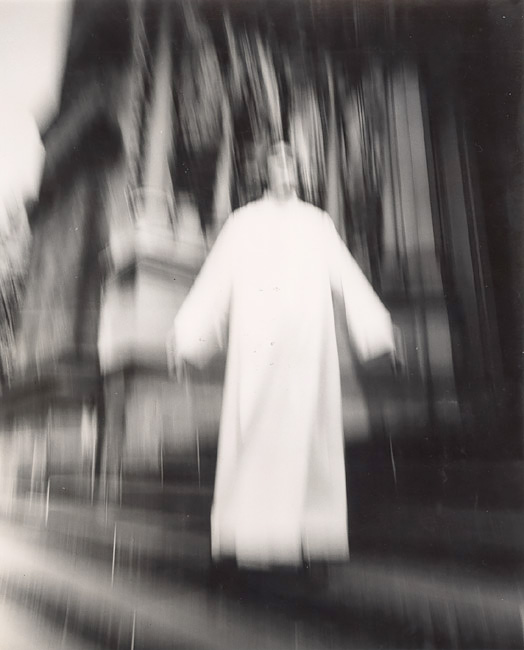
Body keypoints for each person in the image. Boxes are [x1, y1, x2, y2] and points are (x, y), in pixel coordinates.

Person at [167, 141, 398, 571]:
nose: (285, 168)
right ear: (265, 171)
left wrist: (379, 331)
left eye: (292, 161)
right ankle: (253, 542)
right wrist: (187, 337)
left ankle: (308, 540)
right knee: (254, 434)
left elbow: (347, 275)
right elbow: (215, 281)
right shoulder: (243, 223)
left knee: (307, 439)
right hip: (258, 350)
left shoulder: (317, 223)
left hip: (306, 350)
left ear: (300, 170)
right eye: (277, 161)